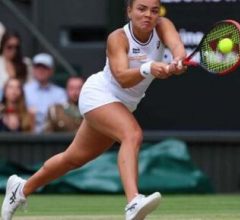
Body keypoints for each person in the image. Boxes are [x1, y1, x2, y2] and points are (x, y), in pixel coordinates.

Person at [1, 0, 186, 219]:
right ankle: (133, 202)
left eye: (154, 10)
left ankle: (20, 189)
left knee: (73, 159)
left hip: (123, 104)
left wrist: (177, 62)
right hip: (98, 95)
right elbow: (122, 78)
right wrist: (149, 68)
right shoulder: (117, 38)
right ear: (129, 11)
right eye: (141, 9)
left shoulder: (163, 26)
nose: (148, 15)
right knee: (132, 134)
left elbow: (178, 49)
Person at [23, 53, 67, 133]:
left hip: (53, 135)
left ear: (51, 71)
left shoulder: (60, 93)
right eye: (38, 67)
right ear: (33, 70)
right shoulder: (25, 90)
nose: (41, 70)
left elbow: (61, 117)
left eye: (45, 67)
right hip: (27, 134)